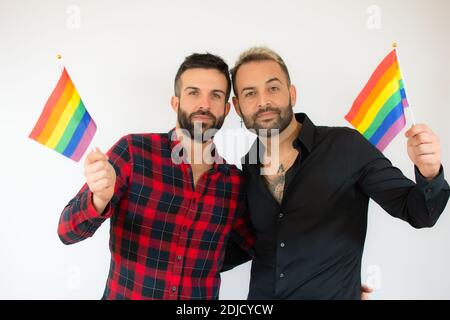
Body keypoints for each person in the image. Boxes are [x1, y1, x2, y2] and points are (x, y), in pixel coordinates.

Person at [223, 46, 450, 299]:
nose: (263, 101)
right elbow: (247, 244)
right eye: (250, 93)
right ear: (237, 106)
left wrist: (429, 173)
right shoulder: (248, 167)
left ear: (292, 93)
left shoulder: (346, 146)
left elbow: (418, 212)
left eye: (273, 88)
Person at [57, 53, 254, 300]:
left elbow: (262, 246)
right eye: (193, 93)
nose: (204, 104)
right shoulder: (133, 152)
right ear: (175, 102)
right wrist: (98, 200)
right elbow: (67, 231)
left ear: (226, 109)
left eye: (215, 95)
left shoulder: (233, 183)